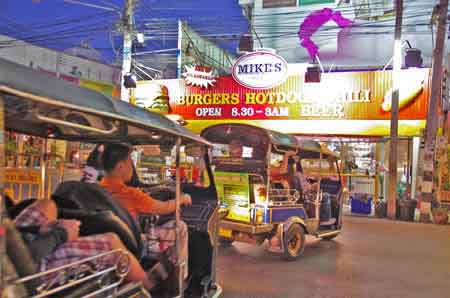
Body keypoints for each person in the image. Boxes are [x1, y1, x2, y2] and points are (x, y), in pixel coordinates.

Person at [13, 199, 156, 291]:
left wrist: (39, 230)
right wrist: (60, 235)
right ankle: (150, 288)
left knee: (47, 205)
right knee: (111, 243)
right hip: (22, 266)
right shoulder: (129, 192)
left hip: (17, 240)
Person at [99, 143, 192, 279]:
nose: (133, 167)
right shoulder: (130, 194)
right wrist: (183, 199)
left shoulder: (98, 188)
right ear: (120, 166)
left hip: (114, 240)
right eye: (131, 162)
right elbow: (164, 207)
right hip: (136, 243)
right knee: (181, 227)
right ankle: (178, 278)